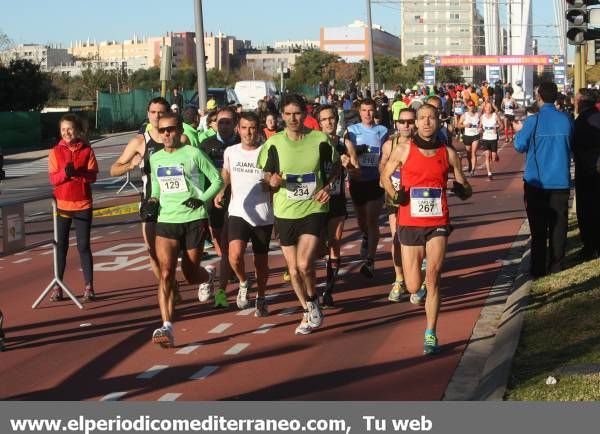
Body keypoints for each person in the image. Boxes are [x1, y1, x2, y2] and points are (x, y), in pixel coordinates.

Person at [384, 103, 472, 354]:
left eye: (430, 118)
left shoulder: (449, 153)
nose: (425, 123)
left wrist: (462, 190)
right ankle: (416, 283)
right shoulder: (403, 149)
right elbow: (385, 176)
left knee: (433, 277)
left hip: (438, 223)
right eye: (421, 118)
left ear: (438, 121)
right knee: (413, 286)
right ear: (415, 123)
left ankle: (431, 332)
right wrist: (394, 196)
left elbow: (465, 187)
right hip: (410, 221)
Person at [257, 94, 339, 335]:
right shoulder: (274, 144)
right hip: (284, 211)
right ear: (282, 116)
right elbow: (265, 175)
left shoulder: (320, 140)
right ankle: (308, 309)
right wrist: (271, 179)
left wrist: (328, 187)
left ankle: (312, 299)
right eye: (288, 114)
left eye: (297, 113)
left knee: (305, 263)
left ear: (305, 115)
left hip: (313, 208)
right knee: (293, 269)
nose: (293, 118)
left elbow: (335, 167)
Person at [146, 112, 224, 348]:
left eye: (170, 129)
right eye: (162, 131)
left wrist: (202, 201)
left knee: (190, 274)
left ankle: (207, 275)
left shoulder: (193, 153)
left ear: (180, 130)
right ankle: (167, 326)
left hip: (193, 218)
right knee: (167, 272)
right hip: (167, 220)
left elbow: (217, 180)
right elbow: (157, 188)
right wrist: (152, 201)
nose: (166, 134)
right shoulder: (156, 158)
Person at [215, 112, 274, 316]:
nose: (248, 132)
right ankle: (243, 281)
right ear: (237, 129)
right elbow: (226, 174)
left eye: (252, 128)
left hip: (263, 215)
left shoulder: (267, 151)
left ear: (257, 130)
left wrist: (271, 184)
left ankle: (261, 297)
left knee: (261, 262)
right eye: (244, 128)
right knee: (235, 255)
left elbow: (274, 179)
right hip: (238, 211)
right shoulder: (231, 151)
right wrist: (221, 190)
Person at [513, 82, 573, 278]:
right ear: (556, 97)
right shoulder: (566, 119)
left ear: (539, 97)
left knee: (538, 228)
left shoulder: (534, 121)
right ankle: (556, 263)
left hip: (536, 181)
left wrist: (518, 131)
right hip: (560, 180)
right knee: (559, 225)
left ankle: (537, 267)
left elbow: (520, 145)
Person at [110, 97, 171, 286]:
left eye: (160, 112)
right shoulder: (139, 141)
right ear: (148, 114)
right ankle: (168, 286)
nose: (156, 116)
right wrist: (130, 165)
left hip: (174, 202)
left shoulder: (178, 138)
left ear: (167, 114)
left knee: (175, 252)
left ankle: (180, 279)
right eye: (153, 112)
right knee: (152, 250)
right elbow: (113, 169)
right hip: (150, 201)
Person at [48, 114, 99, 302]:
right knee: (61, 247)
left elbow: (93, 176)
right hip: (62, 206)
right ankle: (58, 286)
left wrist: (78, 173)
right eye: (63, 130)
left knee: (83, 246)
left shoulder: (87, 150)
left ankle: (89, 286)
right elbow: (53, 179)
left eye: (69, 129)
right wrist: (64, 173)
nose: (66, 133)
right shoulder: (55, 151)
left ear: (77, 130)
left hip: (83, 204)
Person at [316, 104, 357, 308]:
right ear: (319, 123)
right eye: (324, 119)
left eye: (332, 118)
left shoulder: (345, 144)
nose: (329, 122)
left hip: (337, 200)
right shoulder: (314, 144)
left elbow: (357, 172)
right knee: (316, 247)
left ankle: (328, 290)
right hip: (315, 201)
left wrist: (348, 165)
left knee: (335, 243)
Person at [199, 106, 240, 307]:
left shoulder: (241, 144)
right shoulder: (205, 145)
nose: (223, 125)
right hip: (213, 199)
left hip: (237, 199)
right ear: (215, 124)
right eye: (220, 122)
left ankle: (229, 270)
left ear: (235, 124)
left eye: (228, 122)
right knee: (218, 237)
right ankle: (227, 265)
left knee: (231, 239)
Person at [344, 99, 389, 278]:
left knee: (372, 221)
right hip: (358, 181)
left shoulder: (383, 131)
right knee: (362, 221)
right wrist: (355, 151)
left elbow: (387, 152)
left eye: (370, 110)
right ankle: (365, 236)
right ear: (359, 112)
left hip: (375, 181)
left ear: (374, 111)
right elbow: (346, 151)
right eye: (364, 110)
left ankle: (370, 260)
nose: (367, 114)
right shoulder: (352, 131)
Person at [379, 108, 416, 302]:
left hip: (416, 197)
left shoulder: (422, 144)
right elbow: (383, 164)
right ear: (397, 123)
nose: (406, 125)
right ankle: (399, 279)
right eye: (402, 121)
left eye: (410, 121)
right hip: (394, 194)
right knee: (397, 238)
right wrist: (383, 177)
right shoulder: (389, 145)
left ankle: (419, 280)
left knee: (417, 239)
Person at [572, 88, 600, 259]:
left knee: (587, 210)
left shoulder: (581, 122)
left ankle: (590, 246)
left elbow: (574, 145)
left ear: (582, 102)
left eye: (576, 101)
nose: (574, 103)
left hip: (587, 171)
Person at [479, 101, 503, 180]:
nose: (488, 109)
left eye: (490, 107)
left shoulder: (495, 116)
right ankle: (489, 173)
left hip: (493, 138)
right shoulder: (482, 117)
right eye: (487, 107)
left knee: (493, 157)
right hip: (486, 138)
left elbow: (501, 125)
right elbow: (480, 127)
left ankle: (495, 156)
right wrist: (480, 130)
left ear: (491, 108)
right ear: (484, 108)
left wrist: (498, 130)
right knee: (487, 156)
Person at [459, 100, 480, 175]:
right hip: (467, 136)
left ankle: (473, 170)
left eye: (472, 105)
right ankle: (470, 164)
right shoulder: (464, 115)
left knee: (473, 152)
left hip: (475, 135)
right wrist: (465, 125)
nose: (471, 107)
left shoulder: (478, 115)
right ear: (467, 106)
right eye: (470, 106)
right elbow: (458, 125)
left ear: (474, 106)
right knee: (468, 153)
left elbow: (481, 123)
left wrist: (480, 128)